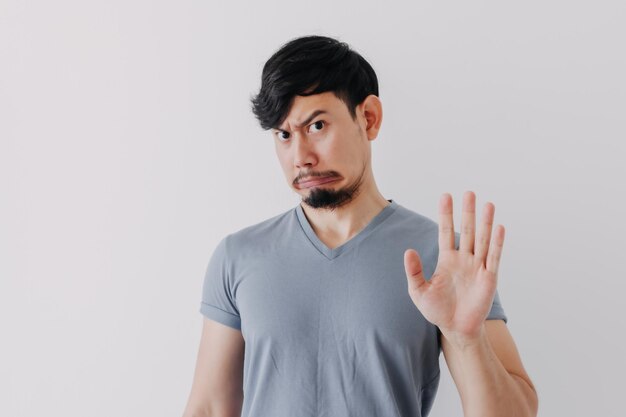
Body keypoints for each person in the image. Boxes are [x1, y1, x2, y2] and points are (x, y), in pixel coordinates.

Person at [182, 35, 538, 417]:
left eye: (317, 125)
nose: (300, 156)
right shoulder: (238, 257)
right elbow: (208, 408)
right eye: (284, 135)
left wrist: (467, 340)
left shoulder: (442, 259)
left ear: (368, 118)